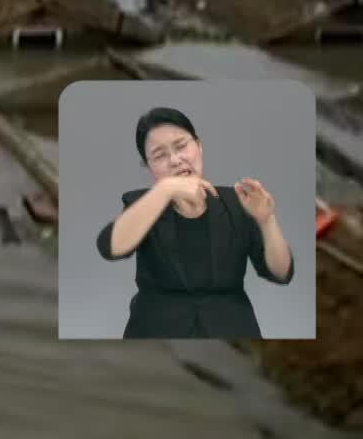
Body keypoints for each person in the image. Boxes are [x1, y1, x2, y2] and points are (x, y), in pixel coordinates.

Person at [95, 106, 293, 338]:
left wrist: (267, 221)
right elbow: (110, 247)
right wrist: (166, 189)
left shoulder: (237, 202)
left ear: (198, 145)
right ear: (148, 166)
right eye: (160, 156)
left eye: (181, 146)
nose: (175, 160)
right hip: (157, 337)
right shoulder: (142, 204)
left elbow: (281, 273)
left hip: (232, 336)